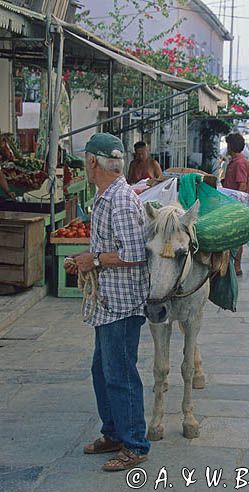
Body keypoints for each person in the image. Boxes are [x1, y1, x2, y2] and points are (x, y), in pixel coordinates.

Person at [64, 133, 150, 472]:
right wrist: (85, 259)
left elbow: (134, 254)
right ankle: (113, 433)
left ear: (91, 162)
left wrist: (94, 260)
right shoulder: (105, 196)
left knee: (120, 374)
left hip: (123, 303)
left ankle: (135, 444)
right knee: (102, 370)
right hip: (107, 301)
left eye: (85, 160)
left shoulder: (121, 200)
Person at [223, 132, 249, 277]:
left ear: (231, 146)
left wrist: (236, 206)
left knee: (236, 237)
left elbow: (242, 185)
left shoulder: (239, 163)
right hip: (231, 203)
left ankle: (236, 265)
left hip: (235, 205)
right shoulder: (234, 161)